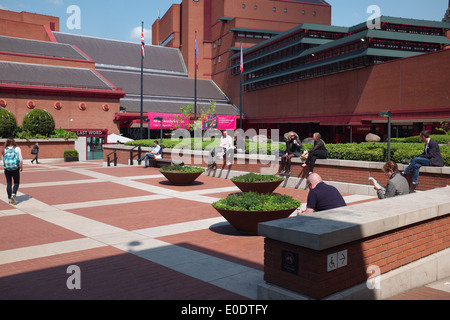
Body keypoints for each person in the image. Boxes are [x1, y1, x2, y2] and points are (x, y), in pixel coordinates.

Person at [2, 138, 23, 205]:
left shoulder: (4, 149)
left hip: (7, 168)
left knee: (9, 183)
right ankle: (13, 194)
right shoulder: (17, 149)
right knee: (16, 182)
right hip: (15, 168)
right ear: (14, 142)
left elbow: (3, 159)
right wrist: (21, 166)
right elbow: (20, 158)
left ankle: (9, 198)